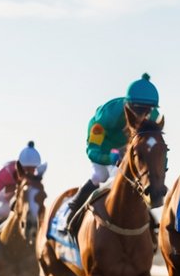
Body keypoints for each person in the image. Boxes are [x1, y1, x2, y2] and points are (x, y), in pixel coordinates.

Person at [61, 74, 162, 232]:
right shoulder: (108, 116)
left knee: (136, 179)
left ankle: (146, 219)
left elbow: (155, 149)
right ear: (129, 106)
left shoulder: (153, 117)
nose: (143, 115)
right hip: (104, 146)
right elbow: (93, 150)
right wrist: (109, 157)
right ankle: (73, 211)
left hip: (129, 149)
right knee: (100, 176)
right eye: (138, 110)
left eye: (147, 110)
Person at [0, 142, 46, 246]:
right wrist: (7, 196)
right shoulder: (6, 173)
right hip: (4, 203)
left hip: (22, 204)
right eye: (27, 169)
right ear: (21, 167)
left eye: (33, 169)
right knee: (4, 211)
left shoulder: (34, 175)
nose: (31, 173)